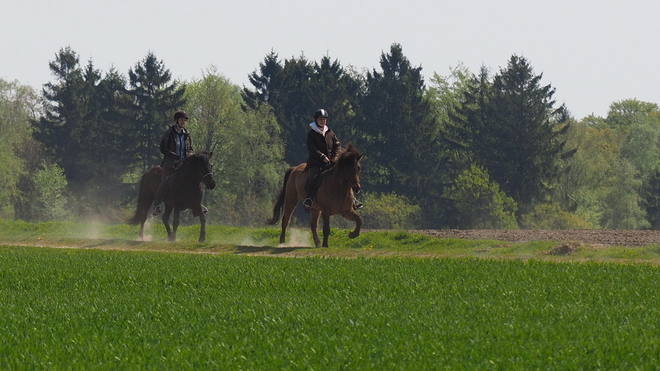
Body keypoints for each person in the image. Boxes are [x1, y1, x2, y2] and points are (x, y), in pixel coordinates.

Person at [303, 109, 363, 210]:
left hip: (330, 162)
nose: (322, 121)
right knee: (313, 178)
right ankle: (309, 199)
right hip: (316, 162)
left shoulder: (330, 132)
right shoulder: (312, 133)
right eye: (320, 119)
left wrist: (335, 157)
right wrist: (322, 156)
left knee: (346, 177)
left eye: (324, 119)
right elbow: (312, 148)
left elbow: (337, 146)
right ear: (316, 120)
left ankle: (352, 200)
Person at [152, 110, 195, 215]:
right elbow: (163, 148)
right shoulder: (169, 133)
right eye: (181, 120)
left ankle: (195, 204)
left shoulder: (187, 135)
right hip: (170, 164)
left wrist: (190, 153)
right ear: (176, 121)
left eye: (184, 120)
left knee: (192, 180)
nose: (183, 122)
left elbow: (190, 148)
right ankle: (157, 205)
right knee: (165, 181)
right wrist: (173, 155)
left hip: (182, 164)